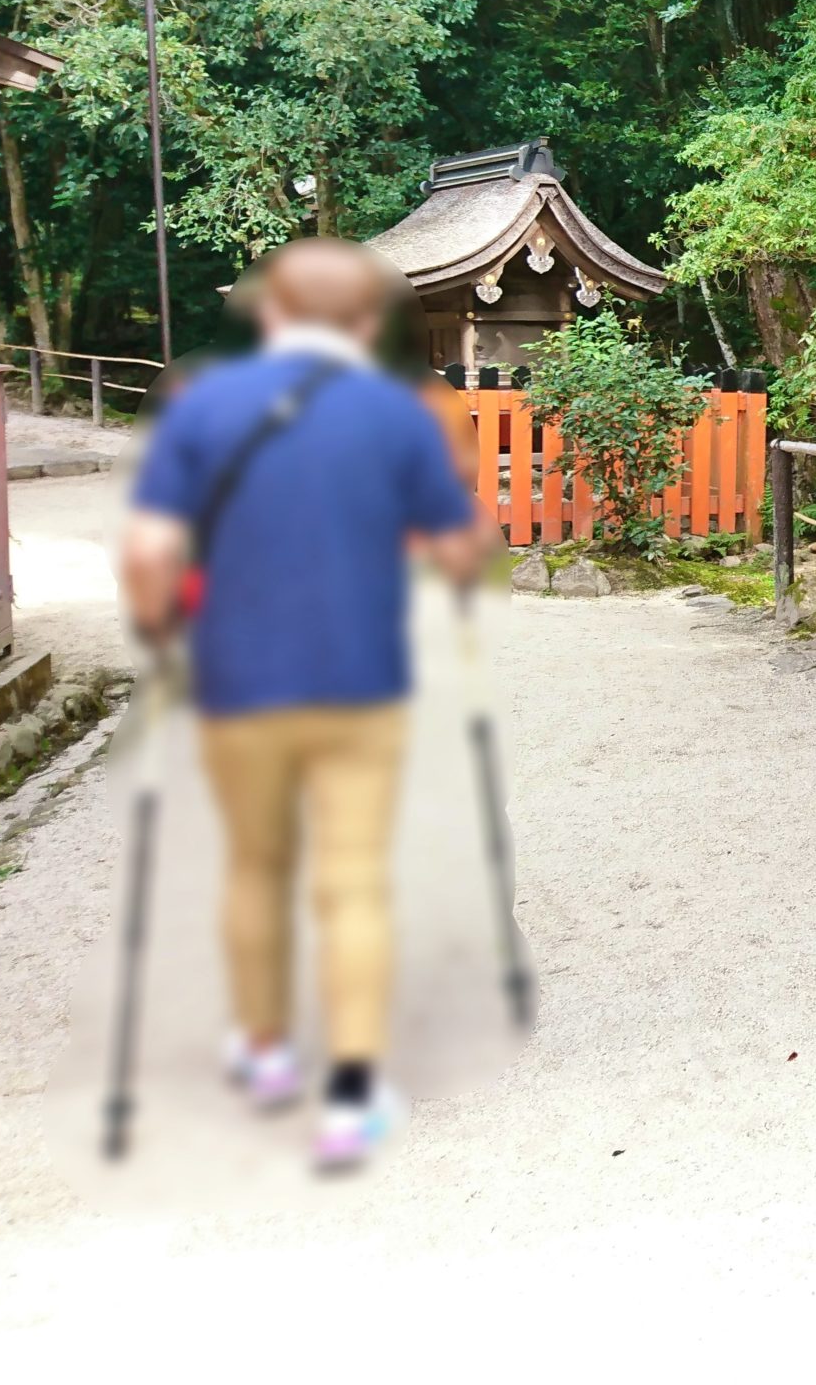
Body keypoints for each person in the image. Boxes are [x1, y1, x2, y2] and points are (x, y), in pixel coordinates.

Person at [120, 238, 494, 1171]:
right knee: (353, 878)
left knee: (253, 865)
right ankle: (353, 1094)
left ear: (273, 315)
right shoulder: (402, 414)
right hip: (360, 680)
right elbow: (461, 546)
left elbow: (149, 553)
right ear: (367, 325)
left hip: (239, 682)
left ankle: (265, 1053)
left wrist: (162, 626)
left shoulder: (202, 403)